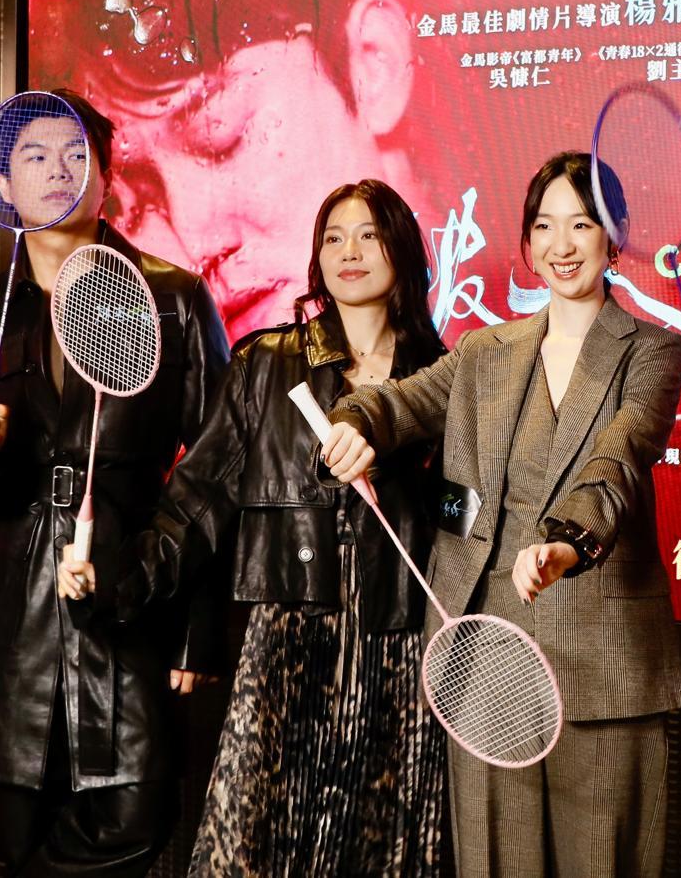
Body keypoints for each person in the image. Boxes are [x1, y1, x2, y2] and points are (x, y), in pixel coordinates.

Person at [60, 179, 452, 876]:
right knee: (260, 845)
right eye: (333, 238)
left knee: (376, 848)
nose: (349, 252)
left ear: (402, 250)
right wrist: (112, 578)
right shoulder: (265, 363)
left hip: (399, 642)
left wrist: (414, 484)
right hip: (287, 641)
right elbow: (194, 503)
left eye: (368, 235)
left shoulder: (446, 375)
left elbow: (466, 511)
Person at [319, 153, 681, 878]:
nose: (562, 245)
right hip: (484, 651)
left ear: (616, 237)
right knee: (495, 862)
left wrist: (566, 543)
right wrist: (356, 421)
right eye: (544, 226)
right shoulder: (484, 351)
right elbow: (399, 403)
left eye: (582, 224)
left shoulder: (652, 351)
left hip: (604, 660)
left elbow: (619, 456)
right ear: (526, 241)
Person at [0, 89, 230, 876]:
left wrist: (196, 627)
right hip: (8, 619)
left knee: (134, 820)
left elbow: (218, 469)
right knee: (12, 835)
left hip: (129, 597)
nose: (58, 169)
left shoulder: (172, 299)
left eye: (76, 154)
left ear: (106, 178)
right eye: (35, 155)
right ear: (1, 184)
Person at [30, 0, 431, 339]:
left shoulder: (459, 366)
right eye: (127, 205)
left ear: (376, 63)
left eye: (224, 138)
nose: (194, 245)